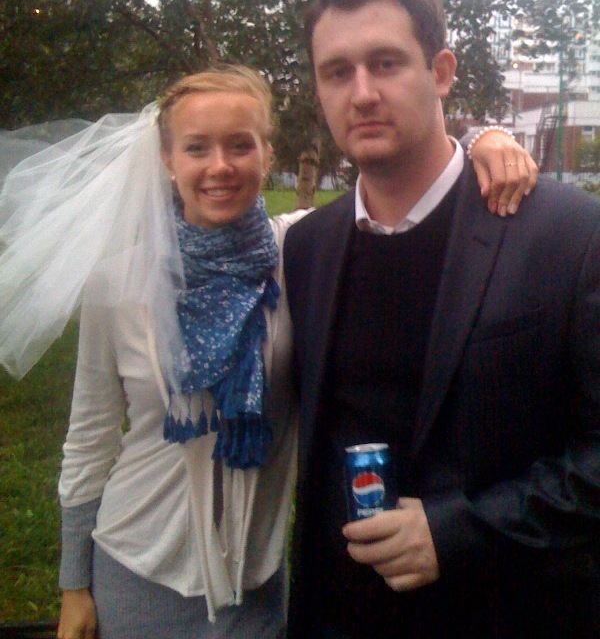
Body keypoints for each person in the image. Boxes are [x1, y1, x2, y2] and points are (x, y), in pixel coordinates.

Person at [0, 65, 534, 637]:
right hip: (137, 573)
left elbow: (405, 199)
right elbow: (90, 437)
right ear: (167, 160)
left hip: (258, 585)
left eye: (240, 145)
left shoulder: (303, 249)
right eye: (196, 148)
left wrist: (483, 140)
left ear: (265, 152)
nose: (220, 166)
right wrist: (74, 584)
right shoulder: (120, 282)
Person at [283, 0, 600, 639]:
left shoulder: (567, 234)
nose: (362, 93)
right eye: (337, 72)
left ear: (442, 72)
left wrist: (458, 533)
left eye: (386, 63)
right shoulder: (307, 247)